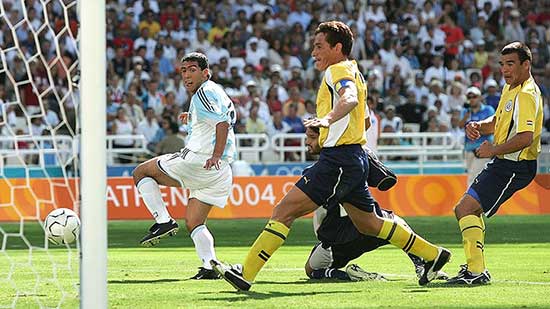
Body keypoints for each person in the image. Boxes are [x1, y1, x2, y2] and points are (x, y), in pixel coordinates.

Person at [212, 21, 450, 291]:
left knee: (284, 210)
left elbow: (349, 100)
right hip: (353, 158)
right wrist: (339, 124)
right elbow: (366, 121)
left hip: (338, 160)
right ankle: (431, 255)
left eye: (319, 46)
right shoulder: (354, 71)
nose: (313, 52)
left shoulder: (336, 70)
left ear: (337, 48)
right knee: (370, 223)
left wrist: (327, 118)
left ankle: (247, 272)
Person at [132, 52, 237, 280]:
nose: (187, 75)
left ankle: (163, 220)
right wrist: (192, 118)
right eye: (183, 70)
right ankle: (210, 266)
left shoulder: (204, 92)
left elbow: (222, 123)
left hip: (200, 160)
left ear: (205, 72)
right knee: (194, 222)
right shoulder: (214, 91)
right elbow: (218, 118)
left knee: (141, 171)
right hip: (220, 172)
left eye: (192, 69)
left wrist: (216, 154)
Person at [446, 42, 543, 285]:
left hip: (515, 165)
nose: (505, 69)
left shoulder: (527, 94)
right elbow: (499, 120)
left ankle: (476, 272)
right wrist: (480, 126)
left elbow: (525, 137)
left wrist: (493, 149)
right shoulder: (511, 89)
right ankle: (475, 269)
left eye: (510, 64)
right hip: (504, 162)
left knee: (465, 209)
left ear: (526, 64)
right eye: (502, 64)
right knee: (468, 209)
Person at [303, 126, 447, 282]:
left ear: (325, 137)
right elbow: (386, 179)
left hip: (337, 240)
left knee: (312, 270)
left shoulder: (315, 172)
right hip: (371, 228)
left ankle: (352, 277)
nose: (307, 142)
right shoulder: (356, 157)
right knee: (396, 223)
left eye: (311, 137)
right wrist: (363, 155)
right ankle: (422, 264)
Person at [459, 86, 495, 186]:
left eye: (474, 96)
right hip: (468, 149)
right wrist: (466, 116)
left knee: (473, 177)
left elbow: (494, 127)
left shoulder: (488, 110)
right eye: (469, 97)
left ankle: (470, 200)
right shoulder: (465, 111)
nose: (471, 99)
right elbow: (460, 126)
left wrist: (475, 131)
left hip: (482, 148)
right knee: (473, 175)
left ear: (479, 97)